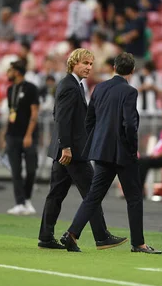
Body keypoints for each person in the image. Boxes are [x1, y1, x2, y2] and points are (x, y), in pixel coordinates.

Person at [60, 53, 161, 254]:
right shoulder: (130, 92)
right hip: (123, 153)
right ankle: (138, 243)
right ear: (132, 71)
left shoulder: (100, 88)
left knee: (93, 196)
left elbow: (90, 120)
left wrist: (97, 142)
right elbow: (130, 125)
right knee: (134, 197)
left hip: (102, 152)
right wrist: (132, 149)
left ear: (114, 67)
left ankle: (71, 234)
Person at [38, 49, 127, 250]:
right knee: (92, 192)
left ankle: (45, 236)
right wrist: (67, 147)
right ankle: (101, 236)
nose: (88, 67)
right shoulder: (70, 86)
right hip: (73, 152)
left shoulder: (72, 84)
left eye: (90, 64)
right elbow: (62, 118)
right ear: (73, 63)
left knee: (56, 193)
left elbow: (58, 114)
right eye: (85, 63)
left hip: (66, 149)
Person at [5, 60, 40, 216]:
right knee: (16, 171)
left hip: (28, 136)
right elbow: (11, 112)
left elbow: (34, 113)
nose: (8, 73)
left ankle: (27, 199)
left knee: (31, 169)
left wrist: (28, 134)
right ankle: (19, 202)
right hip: (12, 135)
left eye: (10, 70)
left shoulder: (31, 88)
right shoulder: (10, 89)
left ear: (17, 72)